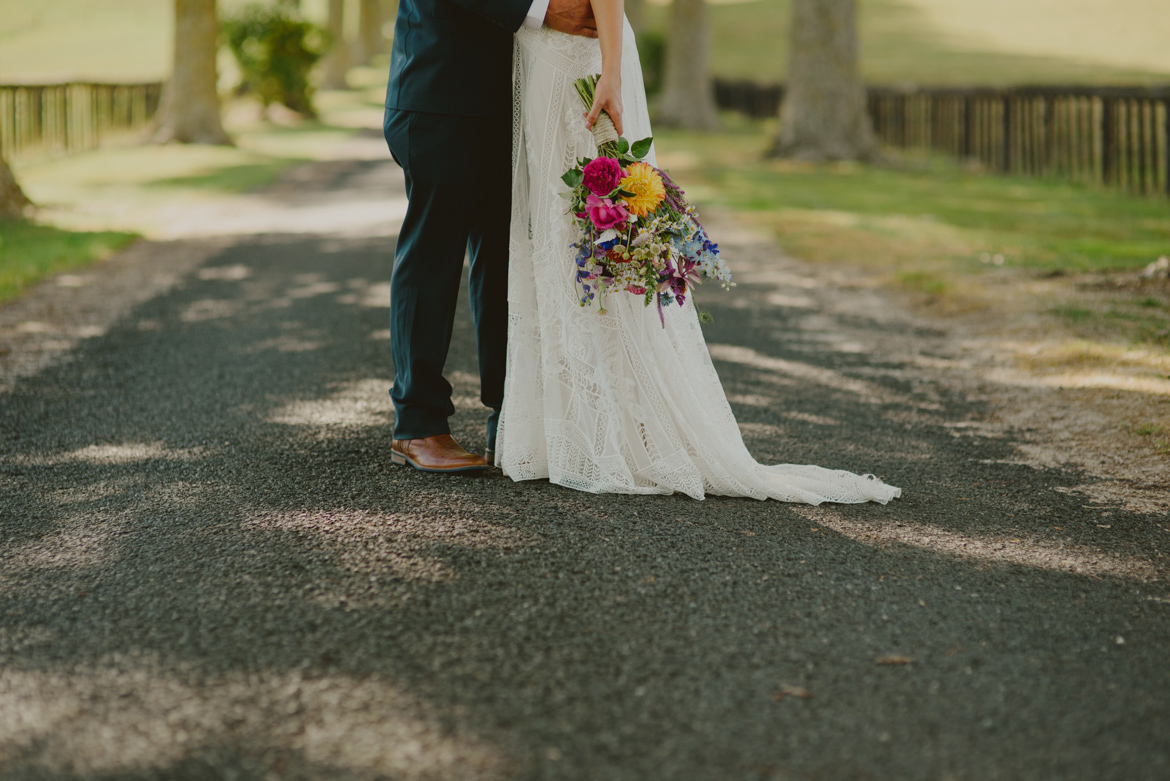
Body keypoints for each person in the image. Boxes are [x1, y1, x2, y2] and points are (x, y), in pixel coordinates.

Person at [495, 0, 901, 503]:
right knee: (557, 233)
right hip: (540, 53)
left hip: (582, 56)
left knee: (593, 227)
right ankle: (566, 426)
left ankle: (616, 429)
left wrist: (611, 73)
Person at [383, 0, 597, 473]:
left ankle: (510, 419)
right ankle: (417, 424)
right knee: (432, 256)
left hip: (514, 100)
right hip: (439, 93)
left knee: (507, 259)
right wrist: (542, 10)